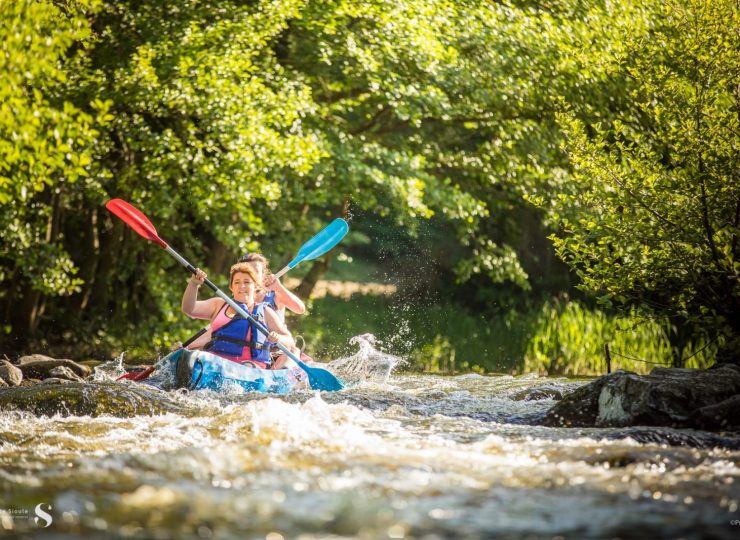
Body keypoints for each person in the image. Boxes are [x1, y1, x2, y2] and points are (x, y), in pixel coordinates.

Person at [181, 262, 299, 369]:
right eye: (237, 282)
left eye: (247, 282)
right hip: (215, 365)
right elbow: (189, 309)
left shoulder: (265, 311)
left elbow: (289, 341)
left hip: (250, 370)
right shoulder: (219, 304)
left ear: (255, 287)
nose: (242, 286)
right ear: (231, 287)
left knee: (248, 366)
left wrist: (278, 338)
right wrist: (193, 284)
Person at [238, 253, 305, 320]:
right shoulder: (238, 297)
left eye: (256, 271)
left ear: (263, 274)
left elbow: (300, 309)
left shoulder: (275, 295)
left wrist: (279, 288)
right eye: (248, 271)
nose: (252, 275)